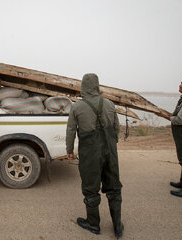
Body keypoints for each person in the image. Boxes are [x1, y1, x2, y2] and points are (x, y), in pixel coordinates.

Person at [66, 73, 124, 238]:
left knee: (91, 188)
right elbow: (116, 128)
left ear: (83, 87)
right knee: (114, 187)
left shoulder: (77, 107)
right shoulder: (109, 104)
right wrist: (112, 144)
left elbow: (70, 131)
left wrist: (69, 150)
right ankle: (118, 226)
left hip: (90, 152)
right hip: (110, 151)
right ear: (97, 86)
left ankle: (93, 224)